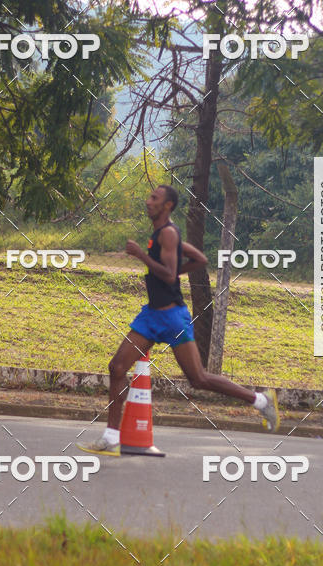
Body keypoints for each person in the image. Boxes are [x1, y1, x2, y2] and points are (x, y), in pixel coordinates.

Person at [79, 184, 279, 456]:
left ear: (167, 206)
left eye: (154, 198)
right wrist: (173, 268)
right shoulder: (164, 233)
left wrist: (140, 256)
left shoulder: (169, 234)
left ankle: (260, 400)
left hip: (172, 317)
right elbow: (199, 258)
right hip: (152, 315)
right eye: (149, 196)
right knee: (117, 367)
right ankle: (111, 437)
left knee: (198, 378)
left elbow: (169, 275)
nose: (148, 201)